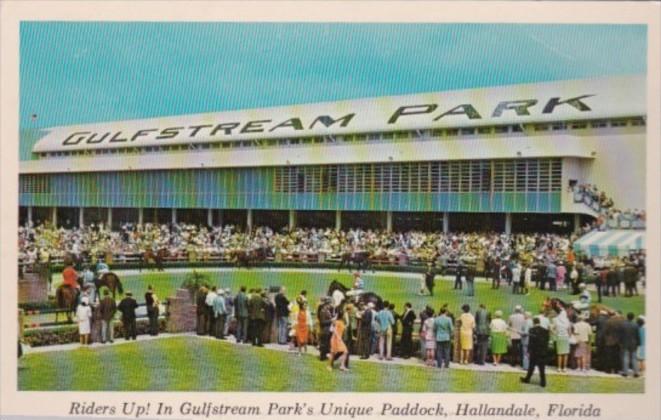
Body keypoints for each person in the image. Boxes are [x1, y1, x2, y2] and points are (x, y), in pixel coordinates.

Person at [520, 317, 550, 387]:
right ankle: (543, 382)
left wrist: (528, 351)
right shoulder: (545, 331)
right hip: (542, 351)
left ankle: (527, 379)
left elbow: (531, 342)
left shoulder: (532, 330)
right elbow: (547, 341)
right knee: (542, 368)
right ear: (539, 322)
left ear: (533, 323)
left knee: (531, 367)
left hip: (534, 351)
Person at [621, 312, 640, 377]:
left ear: (627, 317)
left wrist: (621, 342)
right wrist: (638, 343)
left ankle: (625, 372)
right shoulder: (636, 325)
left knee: (625, 358)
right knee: (634, 358)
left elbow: (621, 335)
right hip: (633, 343)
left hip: (625, 343)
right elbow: (637, 335)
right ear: (633, 317)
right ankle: (636, 373)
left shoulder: (623, 324)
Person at [552, 306, 571, 372]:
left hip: (559, 337)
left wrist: (555, 333)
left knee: (559, 353)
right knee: (565, 354)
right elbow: (569, 331)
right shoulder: (567, 320)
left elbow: (552, 328)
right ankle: (564, 368)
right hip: (565, 338)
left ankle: (559, 367)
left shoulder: (556, 320)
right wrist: (568, 336)